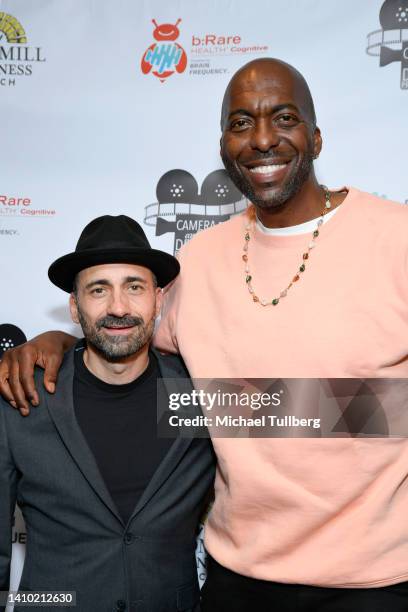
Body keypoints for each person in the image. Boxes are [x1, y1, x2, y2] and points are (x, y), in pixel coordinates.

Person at [1, 57, 408, 611]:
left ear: (315, 137)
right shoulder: (197, 260)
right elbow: (123, 336)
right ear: (222, 148)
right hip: (235, 582)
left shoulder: (395, 238)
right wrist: (61, 343)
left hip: (375, 585)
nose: (262, 139)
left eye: (283, 118)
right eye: (241, 124)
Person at [0, 215, 214, 612]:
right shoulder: (24, 397)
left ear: (159, 300)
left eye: (134, 287)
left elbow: (342, 413)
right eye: (99, 290)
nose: (118, 307)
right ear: (74, 307)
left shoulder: (195, 395)